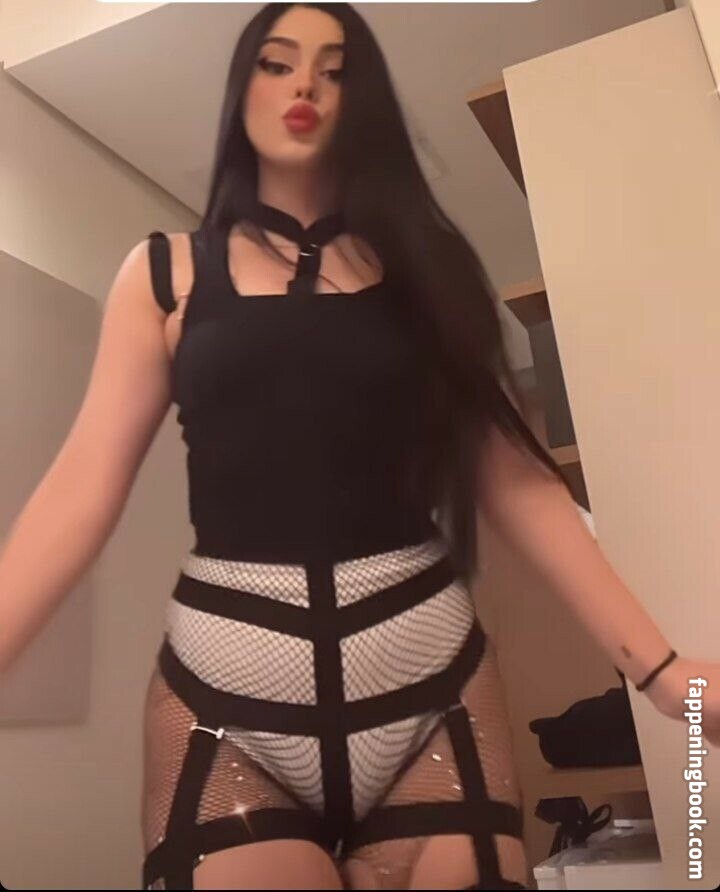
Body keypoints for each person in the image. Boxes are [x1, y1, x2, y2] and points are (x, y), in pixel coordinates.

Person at [1, 3, 718, 890]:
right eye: (278, 63)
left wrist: (662, 672)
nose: (305, 83)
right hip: (228, 703)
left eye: (335, 69)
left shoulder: (430, 273)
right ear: (242, 93)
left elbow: (519, 483)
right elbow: (80, 489)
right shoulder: (163, 272)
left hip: (431, 695)